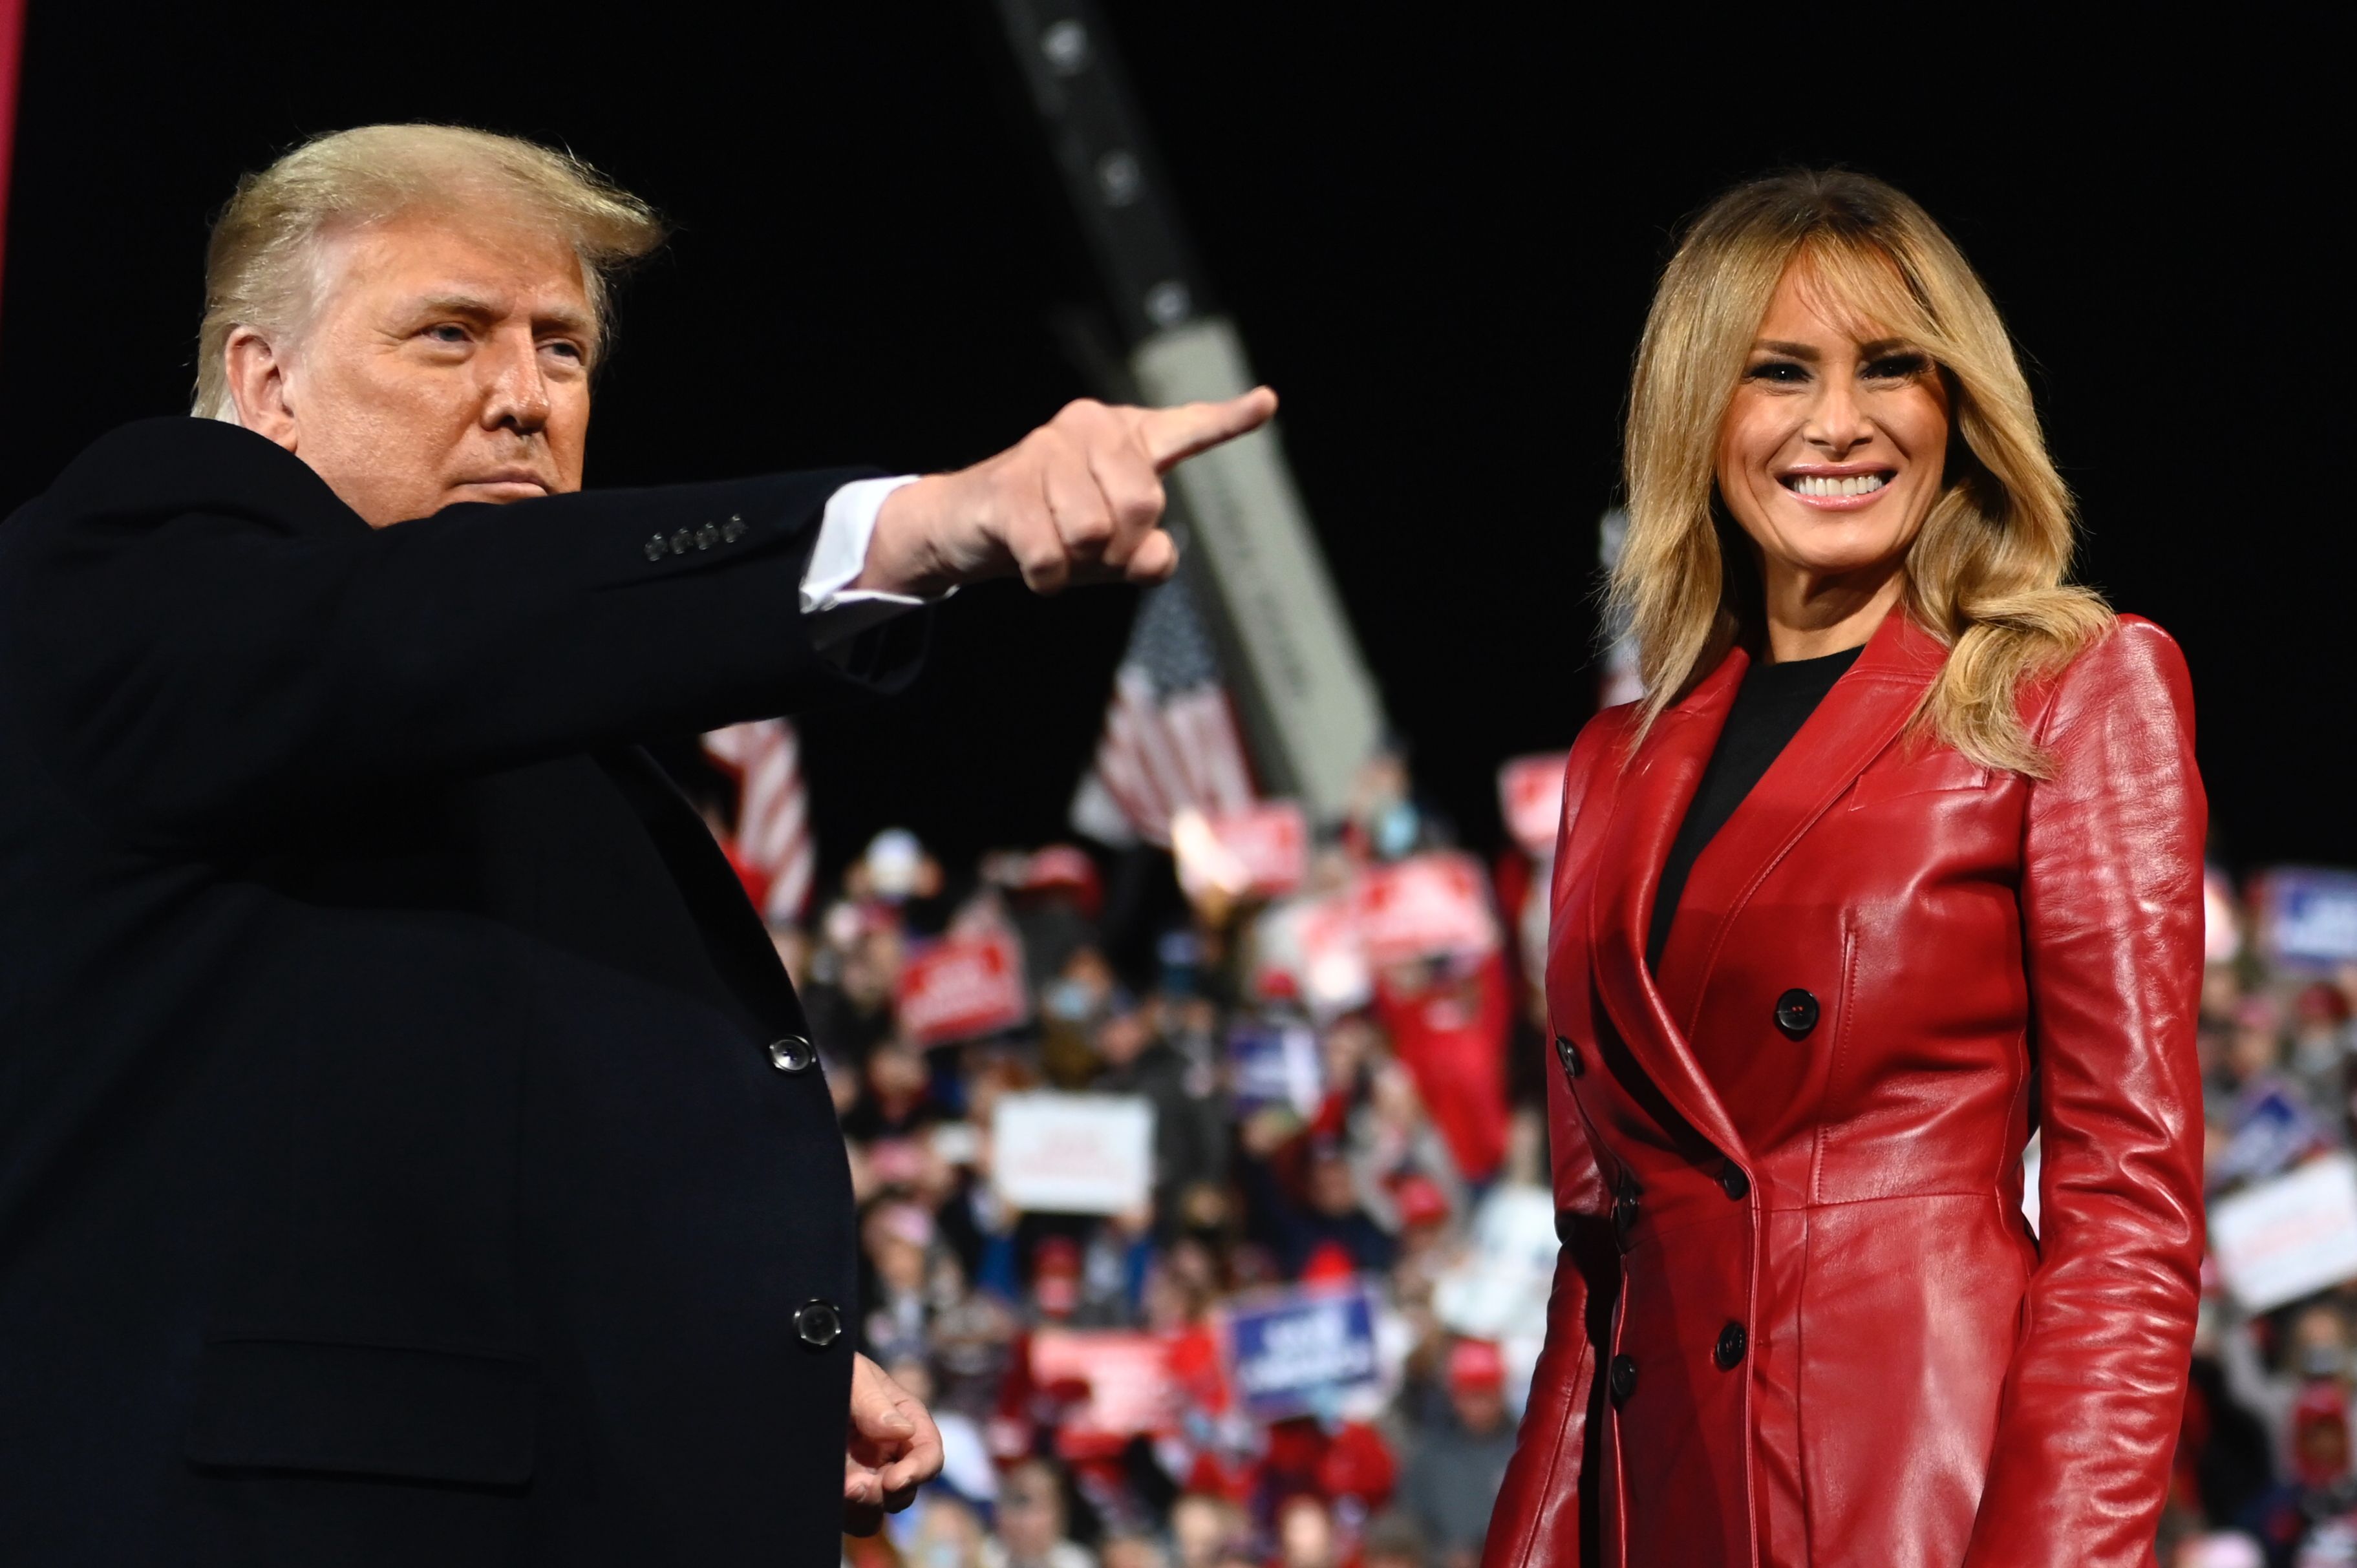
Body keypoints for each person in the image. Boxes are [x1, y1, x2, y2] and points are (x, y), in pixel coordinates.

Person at [0, 123, 1273, 1567]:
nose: (522, 398)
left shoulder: (500, 716)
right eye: (448, 335)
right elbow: (419, 626)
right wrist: (918, 526)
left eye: (561, 349)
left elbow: (438, 1158)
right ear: (263, 382)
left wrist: (719, 1378)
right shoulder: (133, 566)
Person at [1484, 169, 2204, 1566]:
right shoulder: (1609, 761)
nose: (1837, 422)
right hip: (1655, 1502)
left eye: (1889, 368)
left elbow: (2128, 1215)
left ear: (1955, 407)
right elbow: (1598, 1264)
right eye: (1778, 373)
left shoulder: (2068, 690)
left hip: (1914, 1496)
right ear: (1699, 413)